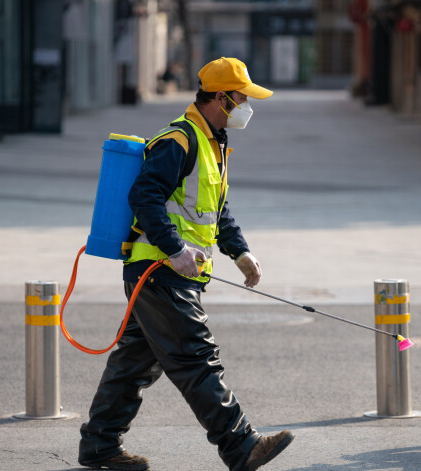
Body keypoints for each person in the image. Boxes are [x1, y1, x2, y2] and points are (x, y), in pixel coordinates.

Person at [78, 57, 294, 471]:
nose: (248, 106)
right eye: (242, 98)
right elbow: (144, 196)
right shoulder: (179, 139)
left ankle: (99, 445)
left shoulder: (215, 144)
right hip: (160, 270)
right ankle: (241, 445)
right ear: (220, 98)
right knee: (196, 356)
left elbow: (216, 210)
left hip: (171, 272)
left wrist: (241, 252)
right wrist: (175, 249)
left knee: (134, 364)